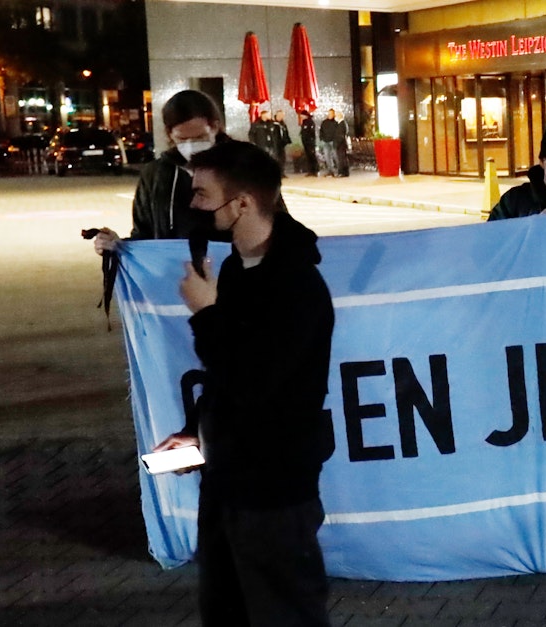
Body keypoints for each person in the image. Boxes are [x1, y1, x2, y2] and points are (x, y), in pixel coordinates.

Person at [151, 140, 335, 626]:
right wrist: (196, 432)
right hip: (226, 479)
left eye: (202, 195)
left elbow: (256, 380)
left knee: (282, 614)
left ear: (244, 203)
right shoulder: (235, 269)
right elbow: (224, 376)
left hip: (274, 488)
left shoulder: (297, 286)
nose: (192, 207)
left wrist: (207, 313)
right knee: (224, 610)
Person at [91, 90, 235, 254]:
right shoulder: (155, 175)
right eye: (182, 139)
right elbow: (143, 235)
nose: (191, 146)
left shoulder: (244, 166)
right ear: (170, 134)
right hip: (173, 274)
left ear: (215, 127)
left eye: (199, 138)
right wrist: (117, 245)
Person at [318, 109, 347, 178]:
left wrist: (336, 140)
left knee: (336, 156)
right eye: (329, 113)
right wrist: (321, 138)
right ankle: (330, 171)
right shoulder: (324, 122)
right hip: (326, 141)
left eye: (331, 114)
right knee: (327, 157)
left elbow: (339, 132)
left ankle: (339, 171)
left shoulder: (337, 122)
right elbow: (321, 131)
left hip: (334, 142)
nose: (330, 115)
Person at [298, 111, 318, 176]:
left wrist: (312, 141)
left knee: (312, 156)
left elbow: (311, 133)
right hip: (305, 142)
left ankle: (315, 170)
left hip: (310, 142)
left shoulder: (310, 122)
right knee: (308, 157)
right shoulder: (304, 122)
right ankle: (310, 171)